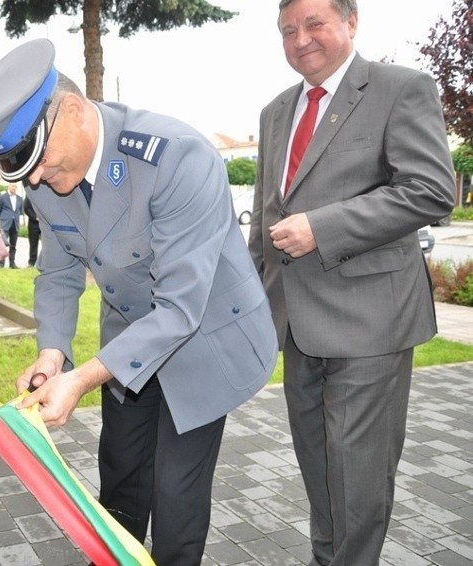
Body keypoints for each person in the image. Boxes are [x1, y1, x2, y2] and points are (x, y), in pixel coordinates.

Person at [0, 39, 277, 564]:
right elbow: (57, 271)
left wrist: (79, 379)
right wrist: (53, 352)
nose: (34, 180)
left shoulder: (177, 157)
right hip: (128, 343)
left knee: (176, 499)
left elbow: (179, 309)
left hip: (206, 340)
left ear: (74, 112)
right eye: (25, 170)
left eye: (40, 164)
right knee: (120, 480)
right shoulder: (46, 169)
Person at [249, 1, 456, 564]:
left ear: (351, 23)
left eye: (314, 23)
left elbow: (432, 189)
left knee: (357, 480)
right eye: (287, 30)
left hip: (371, 324)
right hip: (295, 326)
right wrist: (246, 309)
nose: (300, 39)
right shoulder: (275, 112)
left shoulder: (400, 87)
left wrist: (324, 226)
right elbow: (266, 222)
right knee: (320, 475)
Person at [0, 181, 23, 268]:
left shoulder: (20, 199)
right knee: (2, 245)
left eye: (15, 186)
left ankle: (12, 263)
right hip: (5, 224)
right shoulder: (3, 197)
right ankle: (1, 263)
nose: (14, 188)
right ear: (9, 186)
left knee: (13, 245)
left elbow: (20, 210)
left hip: (15, 224)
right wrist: (3, 218)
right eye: (12, 186)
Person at [23, 194, 41, 267]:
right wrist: (35, 217)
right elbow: (26, 208)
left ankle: (45, 263)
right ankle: (32, 262)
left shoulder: (44, 194)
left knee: (47, 244)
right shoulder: (29, 195)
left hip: (45, 224)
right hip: (33, 224)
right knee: (33, 244)